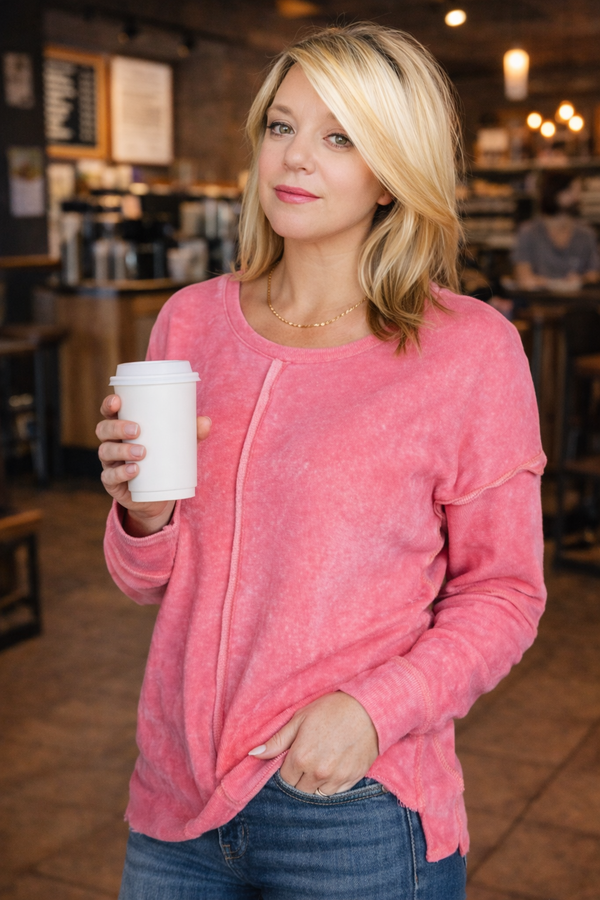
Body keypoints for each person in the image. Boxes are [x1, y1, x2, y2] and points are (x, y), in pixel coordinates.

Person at [98, 23, 546, 900]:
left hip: (352, 807)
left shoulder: (467, 349)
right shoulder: (191, 321)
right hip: (176, 799)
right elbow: (149, 583)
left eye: (340, 137)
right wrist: (140, 514)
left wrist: (372, 715)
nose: (295, 157)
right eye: (282, 126)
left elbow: (505, 594)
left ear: (391, 172)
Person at [513, 171, 600, 290]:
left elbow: (593, 274)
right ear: (554, 192)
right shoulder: (529, 232)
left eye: (579, 192)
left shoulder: (586, 234)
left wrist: (581, 280)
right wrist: (553, 284)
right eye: (571, 191)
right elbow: (524, 278)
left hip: (578, 300)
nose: (577, 198)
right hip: (539, 300)